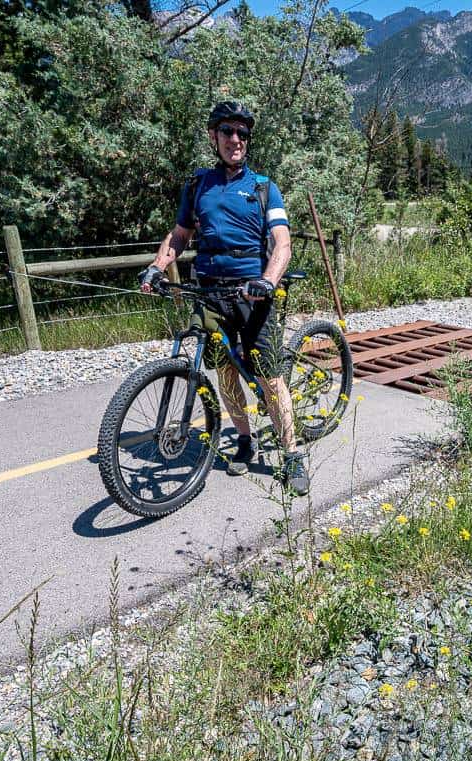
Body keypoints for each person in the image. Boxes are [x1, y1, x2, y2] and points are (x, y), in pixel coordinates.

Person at [138, 101, 309, 496]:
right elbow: (180, 234)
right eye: (228, 132)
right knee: (226, 371)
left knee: (269, 376)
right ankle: (245, 439)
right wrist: (157, 267)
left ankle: (292, 452)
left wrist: (267, 280)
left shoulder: (264, 187)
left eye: (242, 133)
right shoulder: (198, 185)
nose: (236, 140)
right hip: (210, 291)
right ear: (214, 137)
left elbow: (281, 244)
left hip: (253, 293)